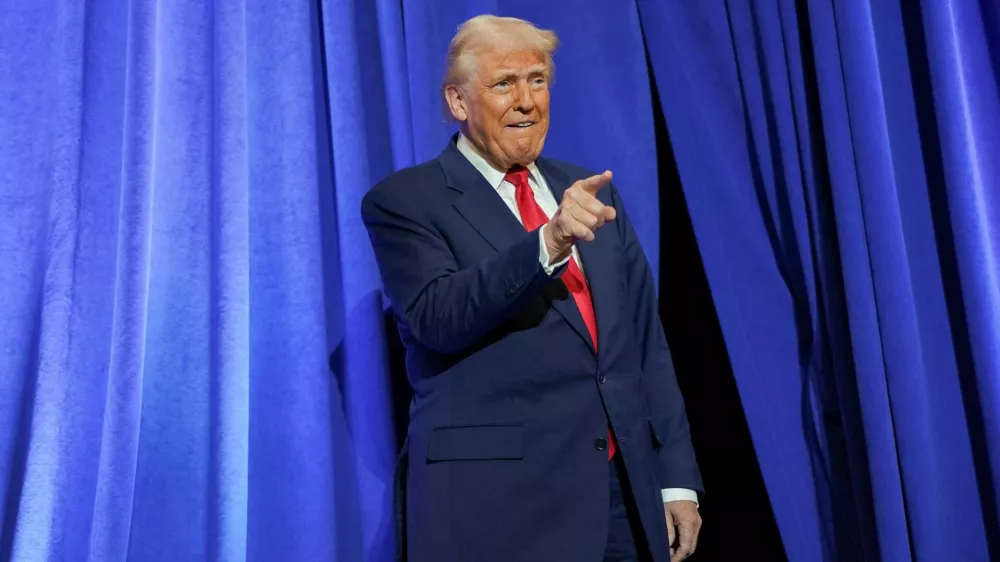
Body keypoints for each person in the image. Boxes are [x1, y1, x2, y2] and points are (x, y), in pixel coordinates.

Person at [361, 14, 703, 562]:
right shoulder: (406, 200)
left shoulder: (586, 190)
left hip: (621, 497)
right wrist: (549, 241)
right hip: (500, 509)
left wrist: (676, 477)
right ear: (457, 101)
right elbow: (438, 317)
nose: (526, 101)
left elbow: (643, 341)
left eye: (537, 80)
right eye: (504, 83)